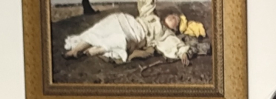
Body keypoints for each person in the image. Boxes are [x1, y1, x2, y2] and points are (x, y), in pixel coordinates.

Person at [64, 1, 192, 64]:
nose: (173, 18)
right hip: (128, 21)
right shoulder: (152, 15)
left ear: (174, 29)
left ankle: (93, 50)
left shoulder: (165, 33)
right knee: (104, 27)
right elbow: (148, 3)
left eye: (176, 21)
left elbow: (174, 43)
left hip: (137, 34)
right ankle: (75, 50)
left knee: (121, 39)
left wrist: (182, 53)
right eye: (173, 16)